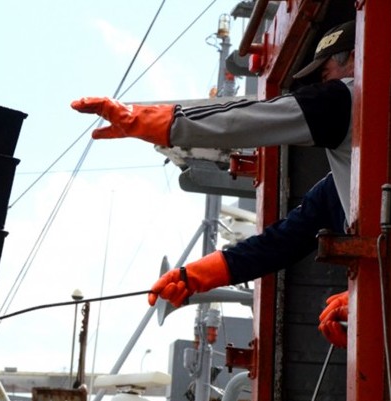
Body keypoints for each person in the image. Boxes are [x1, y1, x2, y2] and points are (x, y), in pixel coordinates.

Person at [71, 21, 356, 347]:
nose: (325, 81)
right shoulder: (339, 189)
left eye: (327, 70)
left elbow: (253, 118)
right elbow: (283, 242)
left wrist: (153, 122)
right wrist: (194, 276)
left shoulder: (344, 96)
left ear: (357, 59)